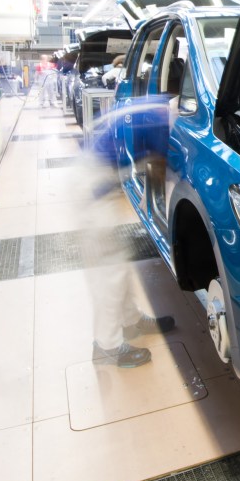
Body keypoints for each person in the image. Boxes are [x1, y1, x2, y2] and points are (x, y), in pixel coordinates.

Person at [79, 117, 175, 367]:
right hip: (91, 185)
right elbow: (158, 164)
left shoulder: (156, 110)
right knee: (107, 270)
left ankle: (131, 321)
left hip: (99, 178)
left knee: (118, 265)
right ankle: (107, 347)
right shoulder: (162, 120)